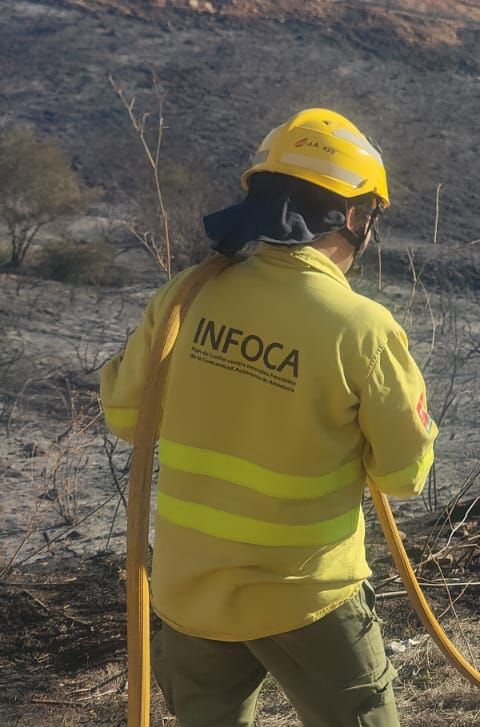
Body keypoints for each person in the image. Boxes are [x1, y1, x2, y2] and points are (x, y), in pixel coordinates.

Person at [100, 108, 435, 727]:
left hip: (189, 594)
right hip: (306, 599)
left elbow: (126, 414)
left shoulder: (186, 296)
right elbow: (404, 476)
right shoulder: (362, 328)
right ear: (356, 218)